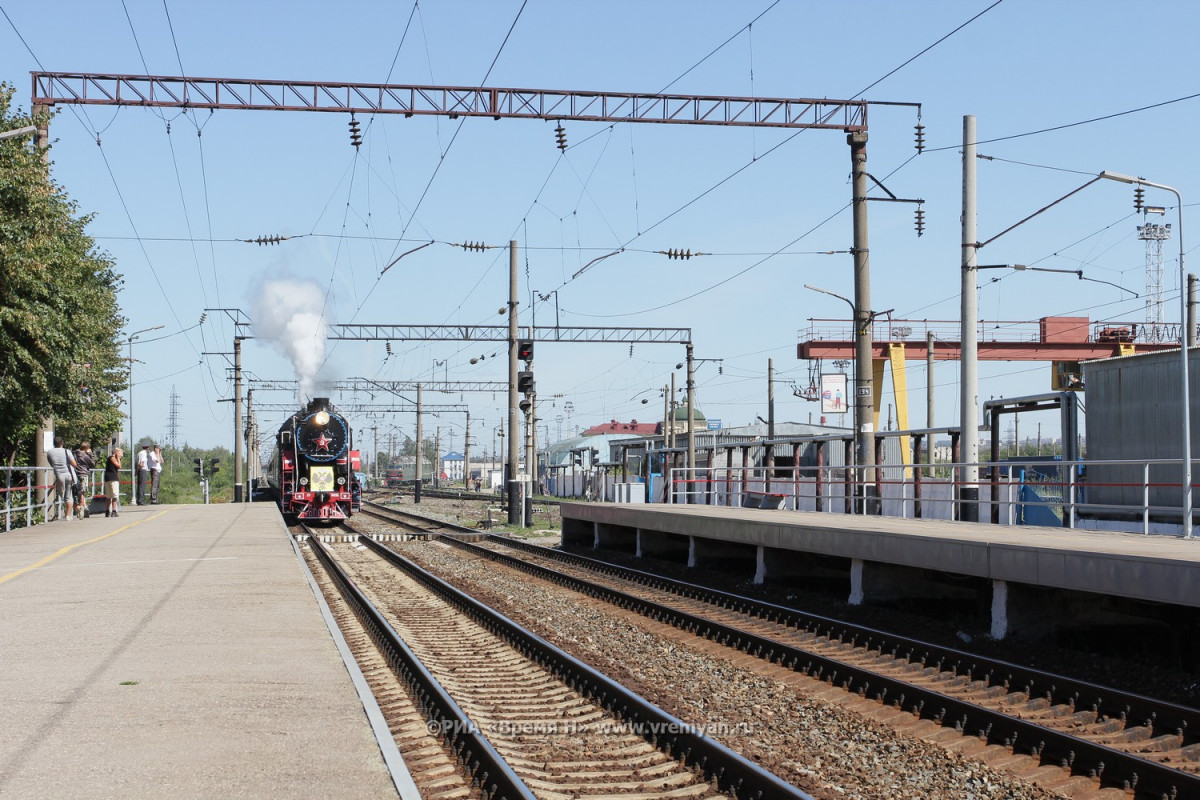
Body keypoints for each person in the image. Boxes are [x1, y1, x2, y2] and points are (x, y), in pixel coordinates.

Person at [45, 436, 78, 522]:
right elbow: (74, 464)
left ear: (54, 443)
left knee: (61, 494)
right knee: (68, 495)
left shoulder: (50, 452)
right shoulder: (67, 451)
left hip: (59, 475)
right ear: (62, 443)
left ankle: (71, 510)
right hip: (68, 475)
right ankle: (68, 515)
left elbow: (51, 463)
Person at [73, 441, 96, 519]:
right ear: (87, 448)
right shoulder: (85, 456)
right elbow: (93, 464)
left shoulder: (75, 453)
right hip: (84, 474)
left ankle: (82, 507)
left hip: (75, 474)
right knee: (82, 491)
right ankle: (82, 508)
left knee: (76, 491)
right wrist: (91, 455)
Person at [104, 448, 123, 517]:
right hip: (112, 478)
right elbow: (119, 466)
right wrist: (118, 458)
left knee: (109, 495)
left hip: (109, 478)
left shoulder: (110, 458)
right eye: (121, 453)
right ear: (116, 452)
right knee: (114, 495)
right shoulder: (112, 458)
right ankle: (113, 511)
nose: (122, 455)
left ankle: (107, 511)